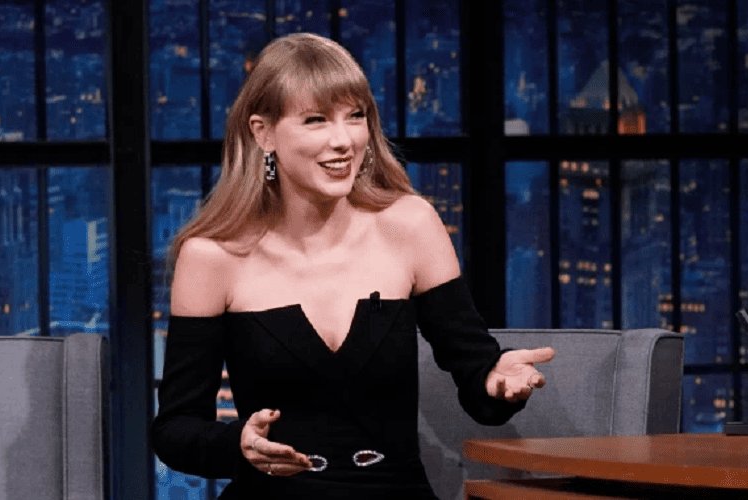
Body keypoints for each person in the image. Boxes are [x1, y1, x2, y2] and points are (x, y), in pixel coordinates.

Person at [152, 32, 555, 499]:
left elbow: (476, 377)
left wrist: (496, 380)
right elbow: (176, 429)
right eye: (316, 120)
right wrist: (237, 444)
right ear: (263, 133)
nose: (343, 140)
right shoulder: (212, 257)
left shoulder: (411, 225)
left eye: (355, 116)